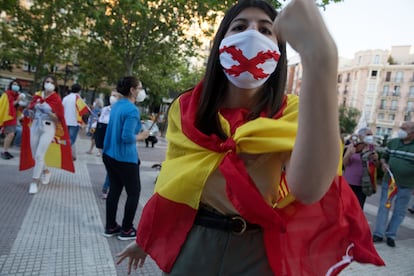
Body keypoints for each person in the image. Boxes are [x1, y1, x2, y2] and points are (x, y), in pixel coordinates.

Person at [116, 1, 383, 275]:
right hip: (194, 243)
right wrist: (145, 239)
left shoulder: (292, 113)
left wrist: (321, 60)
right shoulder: (186, 109)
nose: (252, 34)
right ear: (220, 42)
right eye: (240, 26)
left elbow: (309, 189)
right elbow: (174, 181)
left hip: (257, 252)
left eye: (266, 30)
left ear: (278, 51)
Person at [102, 76, 149, 240]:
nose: (142, 91)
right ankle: (127, 229)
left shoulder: (116, 106)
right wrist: (142, 136)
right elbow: (127, 137)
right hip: (124, 158)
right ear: (132, 90)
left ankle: (110, 226)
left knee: (114, 190)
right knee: (134, 193)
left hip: (109, 154)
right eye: (140, 88)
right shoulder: (131, 110)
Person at [19, 76, 74, 194]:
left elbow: (58, 118)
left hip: (48, 127)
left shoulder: (56, 99)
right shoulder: (37, 96)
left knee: (39, 155)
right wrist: (28, 112)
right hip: (35, 126)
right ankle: (46, 171)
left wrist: (48, 112)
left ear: (55, 85)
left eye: (51, 82)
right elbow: (31, 113)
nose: (48, 84)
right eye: (47, 82)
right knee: (35, 155)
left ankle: (34, 182)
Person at [373, 121, 414, 247]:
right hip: (389, 182)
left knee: (400, 211)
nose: (401, 130)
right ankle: (378, 234)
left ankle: (391, 235)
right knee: (384, 207)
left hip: (407, 185)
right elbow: (384, 157)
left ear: (412, 132)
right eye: (401, 128)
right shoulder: (393, 142)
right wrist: (383, 163)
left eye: (404, 128)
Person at [343, 127, 379, 209]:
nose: (370, 137)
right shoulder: (354, 146)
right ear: (361, 136)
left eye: (371, 135)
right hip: (349, 182)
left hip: (363, 183)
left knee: (358, 207)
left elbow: (376, 166)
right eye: (368, 134)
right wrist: (349, 154)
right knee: (345, 205)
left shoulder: (372, 147)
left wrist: (376, 159)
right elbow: (344, 164)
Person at [95, 90, 122, 199]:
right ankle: (111, 183)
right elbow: (100, 126)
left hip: (114, 140)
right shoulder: (105, 109)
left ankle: (106, 187)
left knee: (111, 166)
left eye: (115, 96)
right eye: (112, 95)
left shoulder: (120, 110)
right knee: (109, 166)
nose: (113, 97)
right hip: (103, 139)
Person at [62, 83, 89, 160]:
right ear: (79, 90)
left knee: (66, 138)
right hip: (75, 122)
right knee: (71, 140)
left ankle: (67, 153)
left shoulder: (65, 98)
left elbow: (62, 108)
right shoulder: (79, 99)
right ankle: (66, 154)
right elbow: (83, 112)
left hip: (65, 120)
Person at [0, 80, 25, 159]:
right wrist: (18, 100)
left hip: (13, 117)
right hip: (7, 116)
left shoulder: (17, 95)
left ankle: (5, 151)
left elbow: (18, 107)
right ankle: (5, 151)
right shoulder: (7, 94)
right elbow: (9, 105)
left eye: (17, 84)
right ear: (10, 85)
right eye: (14, 84)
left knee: (9, 135)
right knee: (11, 134)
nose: (16, 85)